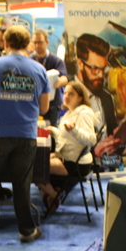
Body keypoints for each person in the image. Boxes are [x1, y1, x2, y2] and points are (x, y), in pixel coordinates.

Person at [0, 25, 50, 245]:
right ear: (27, 44)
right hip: (26, 135)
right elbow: (44, 108)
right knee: (22, 185)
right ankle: (27, 231)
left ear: (5, 43)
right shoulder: (39, 70)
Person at [37, 81, 96, 214]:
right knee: (36, 160)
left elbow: (92, 140)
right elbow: (66, 138)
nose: (67, 96)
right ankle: (52, 194)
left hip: (75, 164)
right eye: (65, 93)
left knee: (33, 166)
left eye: (71, 94)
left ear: (80, 98)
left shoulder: (83, 113)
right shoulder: (69, 113)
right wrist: (54, 131)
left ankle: (53, 195)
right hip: (67, 157)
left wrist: (74, 131)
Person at [75, 33, 118, 136]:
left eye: (103, 69)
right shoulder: (67, 95)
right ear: (80, 64)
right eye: (95, 69)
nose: (101, 75)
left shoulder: (107, 98)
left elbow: (112, 133)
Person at [30, 28, 69, 127]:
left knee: (51, 131)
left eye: (40, 42)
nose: (37, 45)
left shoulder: (55, 60)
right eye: (35, 42)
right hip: (34, 103)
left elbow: (65, 78)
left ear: (47, 42)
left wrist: (56, 81)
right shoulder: (30, 60)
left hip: (52, 105)